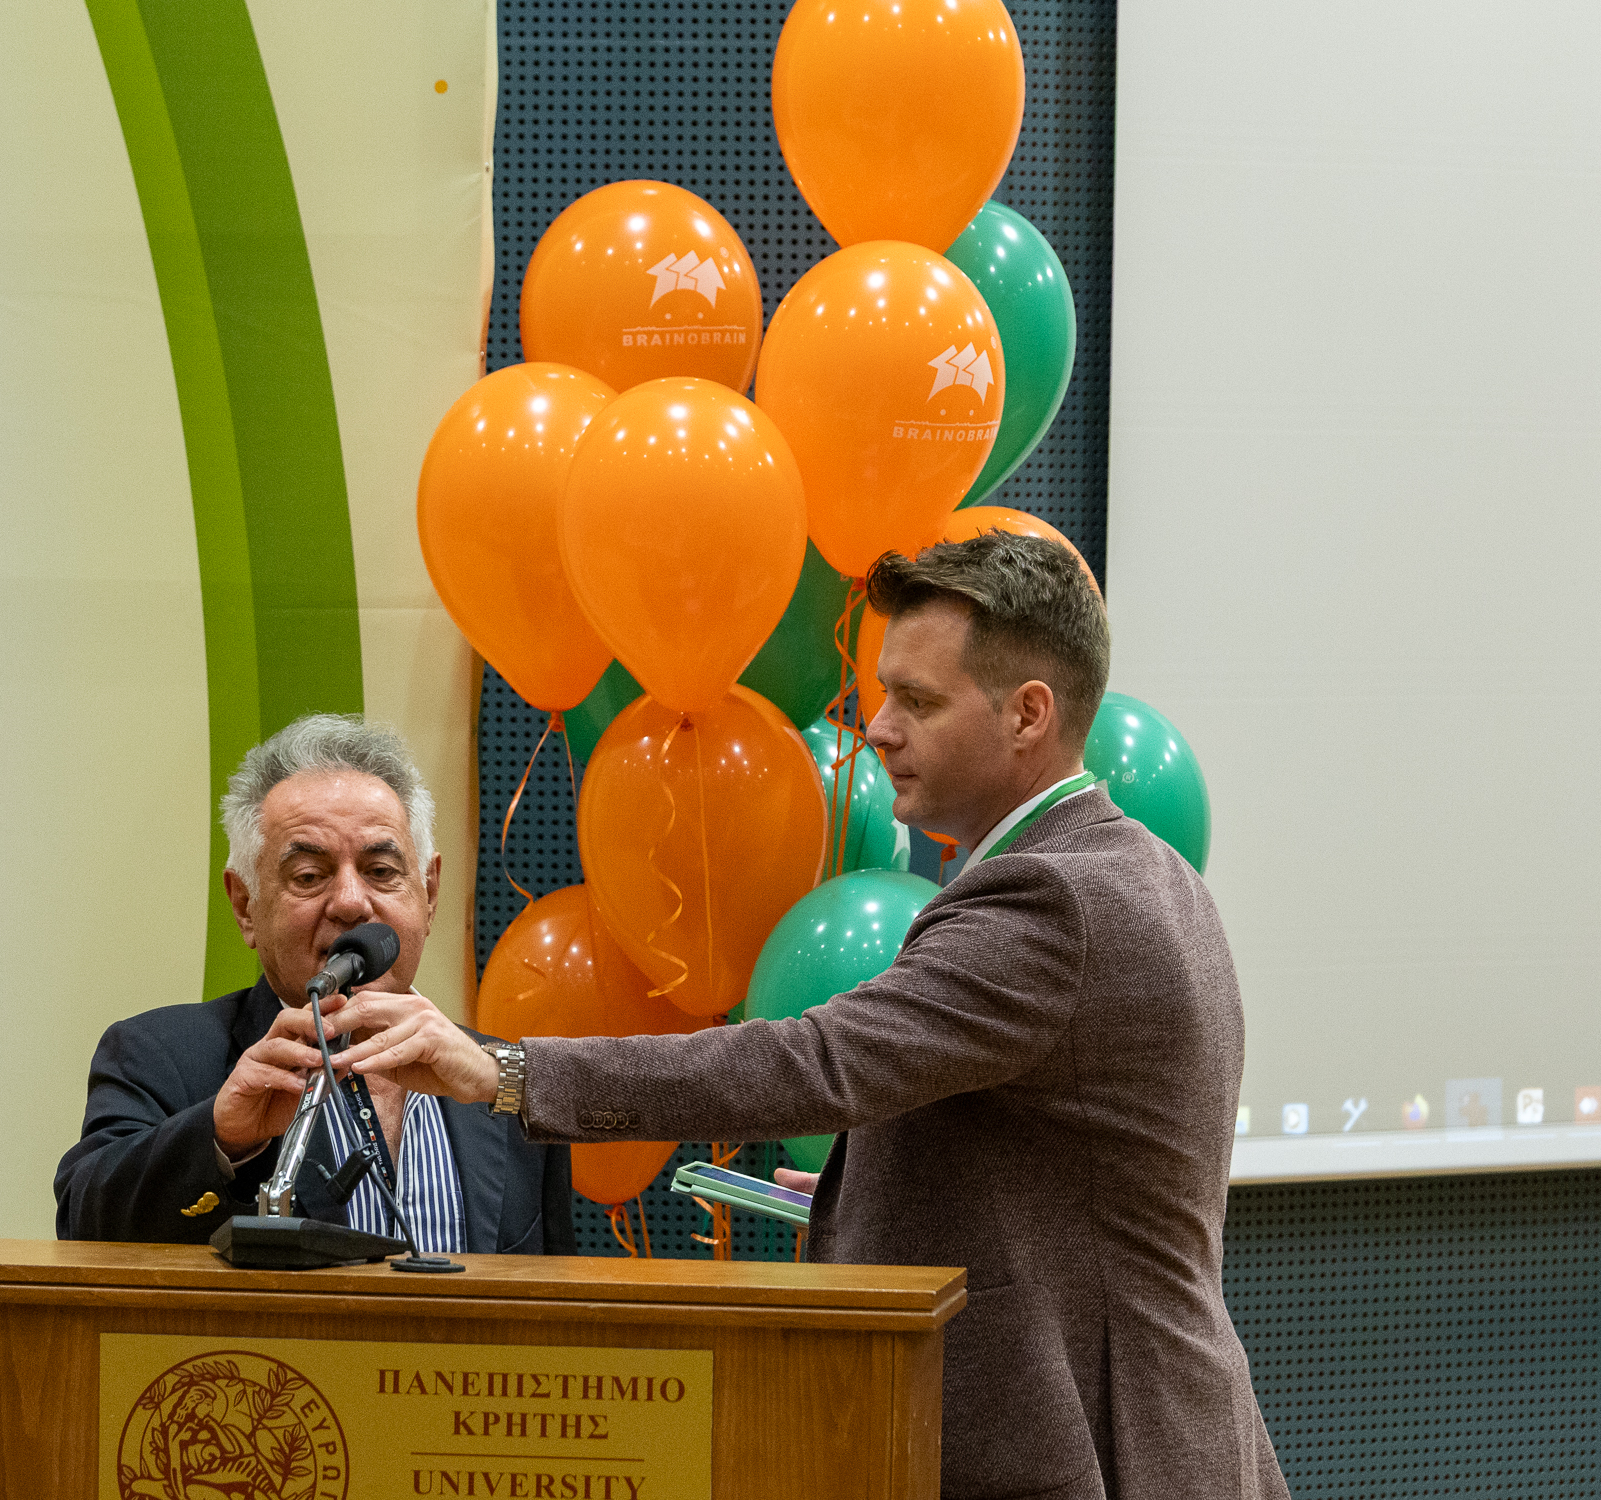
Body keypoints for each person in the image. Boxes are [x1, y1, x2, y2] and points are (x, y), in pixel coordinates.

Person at [287, 534, 1290, 1499]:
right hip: (1162, 1431)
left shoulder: (1048, 898)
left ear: (1028, 713)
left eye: (917, 700)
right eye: (881, 694)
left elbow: (815, 1062)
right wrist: (879, 1191)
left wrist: (503, 1070)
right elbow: (1074, 1171)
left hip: (1096, 1448)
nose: (879, 728)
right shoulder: (1142, 870)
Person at [54, 713, 574, 1257]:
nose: (350, 902)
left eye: (381, 871)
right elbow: (83, 1226)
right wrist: (223, 1138)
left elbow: (559, 1293)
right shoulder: (160, 1054)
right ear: (245, 906)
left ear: (429, 894)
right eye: (309, 876)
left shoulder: (506, 1083)